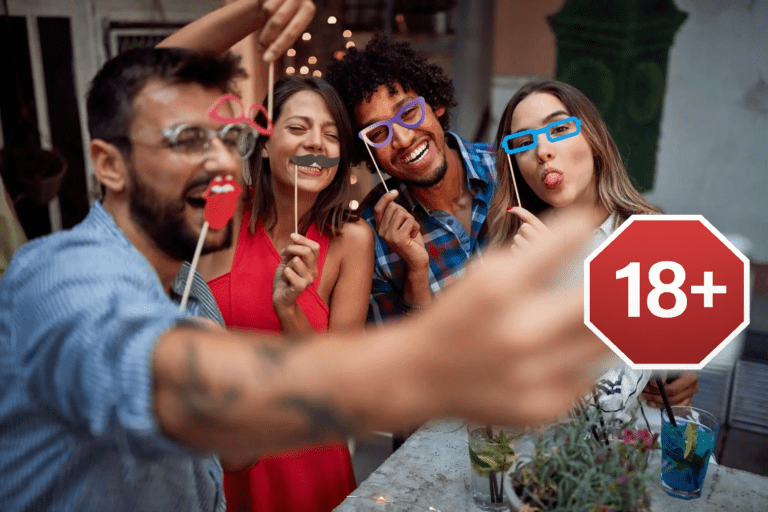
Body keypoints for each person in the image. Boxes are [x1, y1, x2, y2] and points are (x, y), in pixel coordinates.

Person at [0, 40, 612, 512]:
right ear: (109, 164)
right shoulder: (55, 275)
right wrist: (426, 363)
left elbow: (231, 453)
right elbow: (173, 388)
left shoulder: (511, 171)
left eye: (225, 141)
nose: (217, 160)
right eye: (187, 142)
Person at [202, 76, 373, 512]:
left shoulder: (352, 240)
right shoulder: (221, 215)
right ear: (263, 144)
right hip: (222, 454)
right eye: (298, 128)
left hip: (306, 463)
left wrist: (289, 308)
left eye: (331, 135)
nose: (316, 143)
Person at [486, 79, 699, 428]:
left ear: (594, 138)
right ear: (515, 167)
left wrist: (678, 371)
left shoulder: (652, 239)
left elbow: (620, 395)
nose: (542, 151)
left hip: (640, 446)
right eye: (523, 143)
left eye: (559, 128)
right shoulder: (512, 254)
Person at [324, 36, 497, 324]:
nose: (403, 139)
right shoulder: (369, 238)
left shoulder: (509, 169)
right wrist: (416, 272)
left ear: (435, 104)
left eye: (408, 112)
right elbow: (400, 350)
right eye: (378, 133)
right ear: (366, 151)